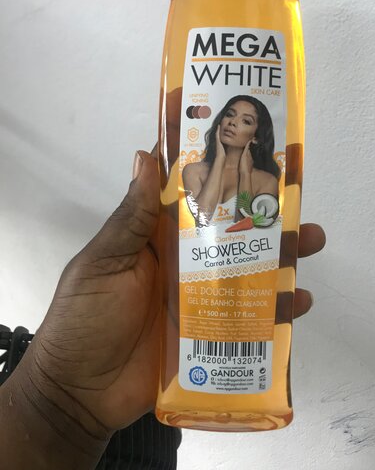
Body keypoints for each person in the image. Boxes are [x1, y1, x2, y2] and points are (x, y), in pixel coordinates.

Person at [0, 149, 326, 469]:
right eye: (230, 120)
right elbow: (204, 212)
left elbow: (254, 215)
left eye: (246, 121)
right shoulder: (195, 170)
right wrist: (57, 395)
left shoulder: (264, 177)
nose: (234, 124)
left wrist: (56, 400)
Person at [183, 96, 281, 227]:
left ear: (256, 137)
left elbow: (247, 227)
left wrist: (245, 174)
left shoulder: (267, 181)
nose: (232, 122)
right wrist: (220, 159)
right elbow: (202, 218)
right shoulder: (193, 171)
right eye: (229, 114)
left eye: (246, 121)